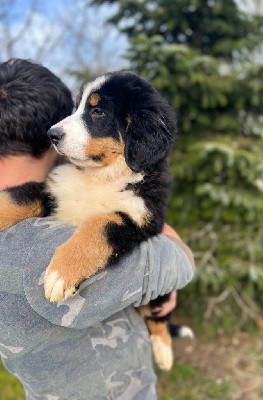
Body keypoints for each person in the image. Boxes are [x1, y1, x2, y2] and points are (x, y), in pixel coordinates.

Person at [0, 58, 194, 400]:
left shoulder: (92, 177)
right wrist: (173, 244)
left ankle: (160, 328)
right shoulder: (31, 251)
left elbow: (133, 223)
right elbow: (174, 262)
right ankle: (160, 327)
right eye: (77, 111)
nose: (64, 128)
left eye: (94, 113)